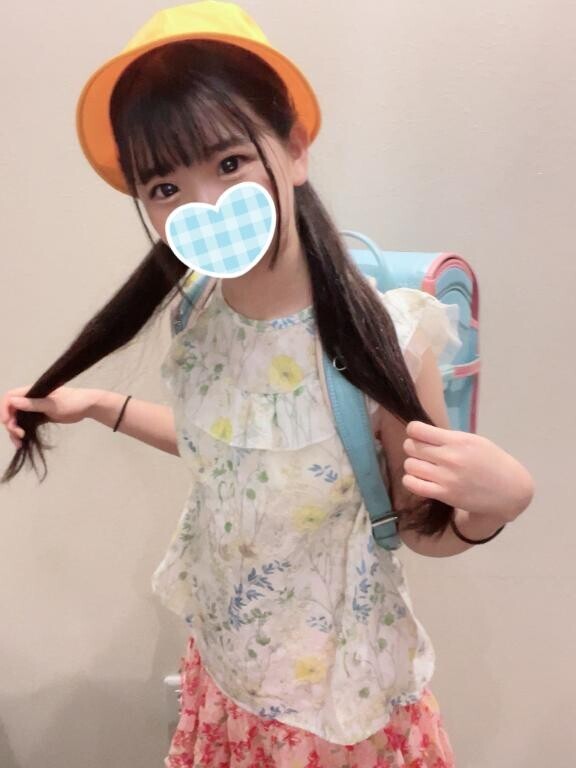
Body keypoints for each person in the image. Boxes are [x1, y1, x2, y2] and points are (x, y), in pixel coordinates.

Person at [1, 2, 535, 766]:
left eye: (228, 163)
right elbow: (233, 456)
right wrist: (94, 405)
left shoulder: (386, 336)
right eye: (164, 186)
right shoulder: (196, 310)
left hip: (336, 711)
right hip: (225, 678)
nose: (203, 206)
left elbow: (419, 528)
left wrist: (493, 510)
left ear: (294, 150)